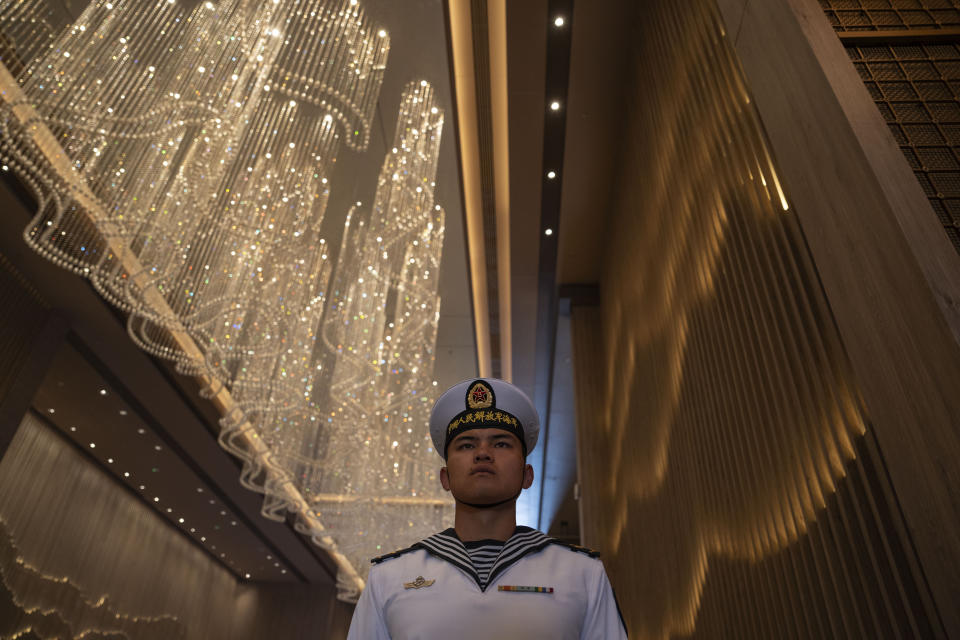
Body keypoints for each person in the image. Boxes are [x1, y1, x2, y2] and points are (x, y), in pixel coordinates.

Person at [346, 378, 628, 639]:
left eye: (501, 443)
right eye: (466, 444)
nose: (482, 453)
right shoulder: (390, 578)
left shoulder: (582, 573)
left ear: (527, 475)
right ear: (445, 477)